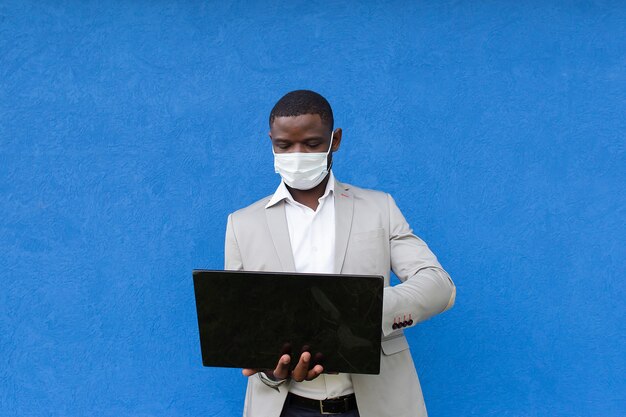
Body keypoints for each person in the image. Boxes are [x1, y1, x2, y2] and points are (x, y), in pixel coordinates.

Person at [225, 90, 456, 417]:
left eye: (312, 143)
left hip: (376, 405)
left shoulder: (380, 208)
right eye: (284, 145)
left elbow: (438, 285)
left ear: (335, 140)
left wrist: (367, 310)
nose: (297, 154)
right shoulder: (241, 224)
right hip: (285, 407)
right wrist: (269, 369)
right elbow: (241, 324)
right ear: (271, 141)